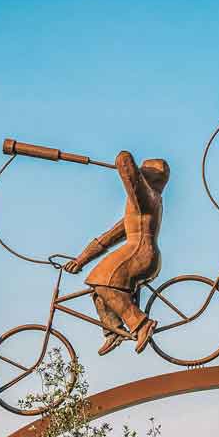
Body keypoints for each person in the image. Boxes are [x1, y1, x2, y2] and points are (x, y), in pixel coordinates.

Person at [64, 151, 168, 355]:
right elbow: (110, 236)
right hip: (138, 253)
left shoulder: (148, 198)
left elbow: (125, 162)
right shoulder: (139, 209)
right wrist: (81, 259)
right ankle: (114, 329)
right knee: (98, 290)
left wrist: (124, 164)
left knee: (101, 280)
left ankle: (140, 323)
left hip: (139, 253)